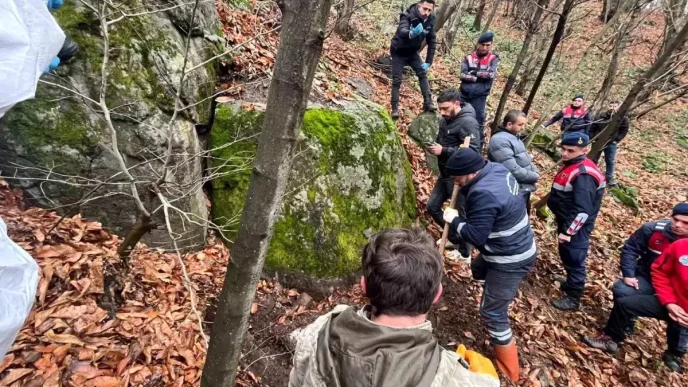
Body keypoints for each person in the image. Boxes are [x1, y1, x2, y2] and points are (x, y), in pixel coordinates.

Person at [288, 228, 500, 387]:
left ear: (363, 286)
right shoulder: (452, 376)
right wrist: (488, 381)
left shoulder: (319, 331)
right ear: (437, 295)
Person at [442, 149, 536, 382]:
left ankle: (509, 372)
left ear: (472, 173)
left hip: (509, 259)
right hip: (507, 246)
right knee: (478, 268)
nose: (456, 183)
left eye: (457, 179)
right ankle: (492, 293)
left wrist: (454, 219)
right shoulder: (496, 168)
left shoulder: (484, 194)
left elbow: (476, 236)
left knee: (492, 313)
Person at [582, 237, 688, 374]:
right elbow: (660, 271)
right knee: (625, 304)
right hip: (671, 301)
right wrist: (669, 302)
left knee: (679, 332)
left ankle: (674, 355)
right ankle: (611, 339)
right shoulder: (681, 245)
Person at [547, 132, 605, 310]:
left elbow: (582, 210)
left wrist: (568, 232)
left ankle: (573, 297)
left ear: (584, 150)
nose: (564, 154)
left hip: (576, 226)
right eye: (563, 149)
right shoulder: (573, 164)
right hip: (566, 219)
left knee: (575, 258)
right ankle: (570, 282)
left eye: (570, 151)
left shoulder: (584, 174)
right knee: (567, 254)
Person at [608, 203, 688, 333]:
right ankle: (624, 323)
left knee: (681, 320)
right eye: (676, 220)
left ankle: (676, 349)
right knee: (623, 290)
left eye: (685, 223)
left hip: (680, 290)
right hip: (648, 277)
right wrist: (629, 274)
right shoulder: (653, 230)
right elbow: (631, 249)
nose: (678, 225)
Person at [426, 89, 480, 258]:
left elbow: (473, 151)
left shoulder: (468, 123)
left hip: (459, 177)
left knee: (460, 215)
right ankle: (453, 237)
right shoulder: (446, 119)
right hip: (445, 173)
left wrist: (444, 151)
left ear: (456, 103)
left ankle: (465, 253)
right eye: (440, 108)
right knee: (433, 207)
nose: (442, 112)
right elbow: (442, 138)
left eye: (445, 108)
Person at [389, 0, 438, 119]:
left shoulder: (430, 20)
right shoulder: (408, 15)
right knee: (397, 80)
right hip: (399, 51)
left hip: (412, 52)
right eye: (425, 9)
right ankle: (394, 109)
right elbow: (402, 30)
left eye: (429, 10)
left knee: (423, 74)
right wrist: (411, 33)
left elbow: (432, 41)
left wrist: (428, 62)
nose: (427, 12)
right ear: (419, 6)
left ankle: (428, 102)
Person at [487, 110, 540, 211]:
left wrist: (535, 171)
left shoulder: (514, 137)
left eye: (524, 124)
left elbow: (525, 159)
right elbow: (512, 169)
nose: (523, 127)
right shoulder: (500, 140)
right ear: (509, 124)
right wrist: (533, 176)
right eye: (520, 124)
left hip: (523, 187)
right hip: (512, 188)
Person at [459, 31, 499, 146]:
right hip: (464, 93)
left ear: (491, 45)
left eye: (487, 45)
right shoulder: (469, 58)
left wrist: (474, 73)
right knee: (458, 116)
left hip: (479, 97)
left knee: (478, 121)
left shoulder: (493, 58)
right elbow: (462, 75)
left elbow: (490, 74)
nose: (484, 47)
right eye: (482, 44)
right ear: (478, 44)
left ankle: (478, 146)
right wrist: (478, 78)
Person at [589, 103, 630, 186]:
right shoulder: (600, 116)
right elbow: (592, 128)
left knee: (610, 160)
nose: (612, 108)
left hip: (611, 143)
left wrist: (616, 140)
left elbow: (624, 130)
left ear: (618, 107)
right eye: (611, 106)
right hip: (598, 142)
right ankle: (590, 174)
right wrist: (592, 138)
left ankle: (609, 178)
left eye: (615, 106)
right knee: (593, 159)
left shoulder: (623, 118)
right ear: (608, 106)